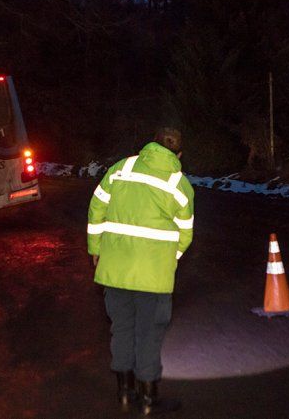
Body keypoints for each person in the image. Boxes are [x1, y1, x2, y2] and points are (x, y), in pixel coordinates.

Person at [87, 127, 194, 415]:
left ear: (151, 144)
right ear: (179, 154)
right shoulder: (179, 184)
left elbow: (96, 208)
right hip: (153, 277)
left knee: (121, 329)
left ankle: (124, 392)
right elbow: (185, 234)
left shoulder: (121, 168)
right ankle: (148, 399)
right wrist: (167, 259)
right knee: (148, 334)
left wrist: (96, 249)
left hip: (115, 269)